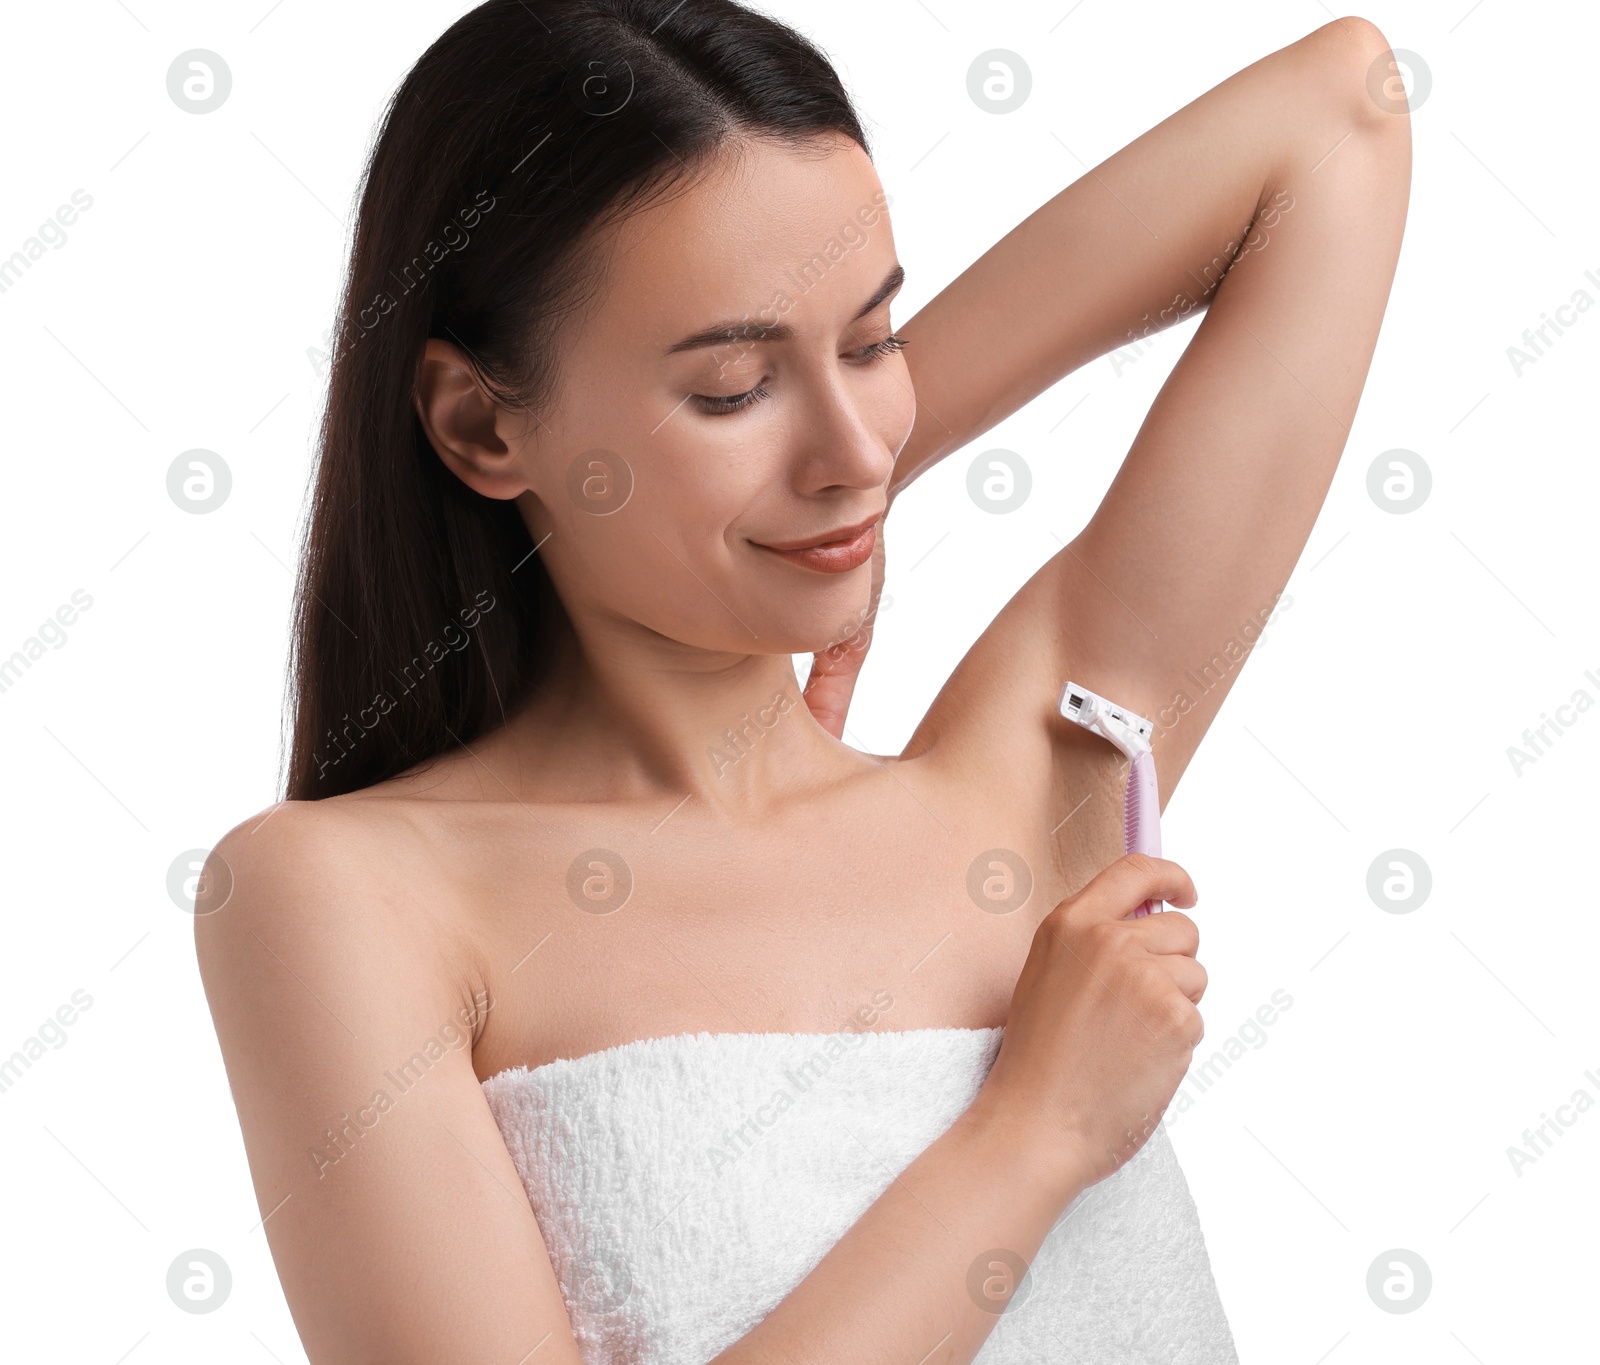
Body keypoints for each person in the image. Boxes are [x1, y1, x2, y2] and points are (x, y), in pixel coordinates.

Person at [193, 2, 1410, 1360]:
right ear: (484, 422)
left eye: (873, 340)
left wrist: (837, 496)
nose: (850, 440)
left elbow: (1339, 116)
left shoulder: (1029, 785)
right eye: (729, 386)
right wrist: (1034, 1133)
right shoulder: (346, 899)